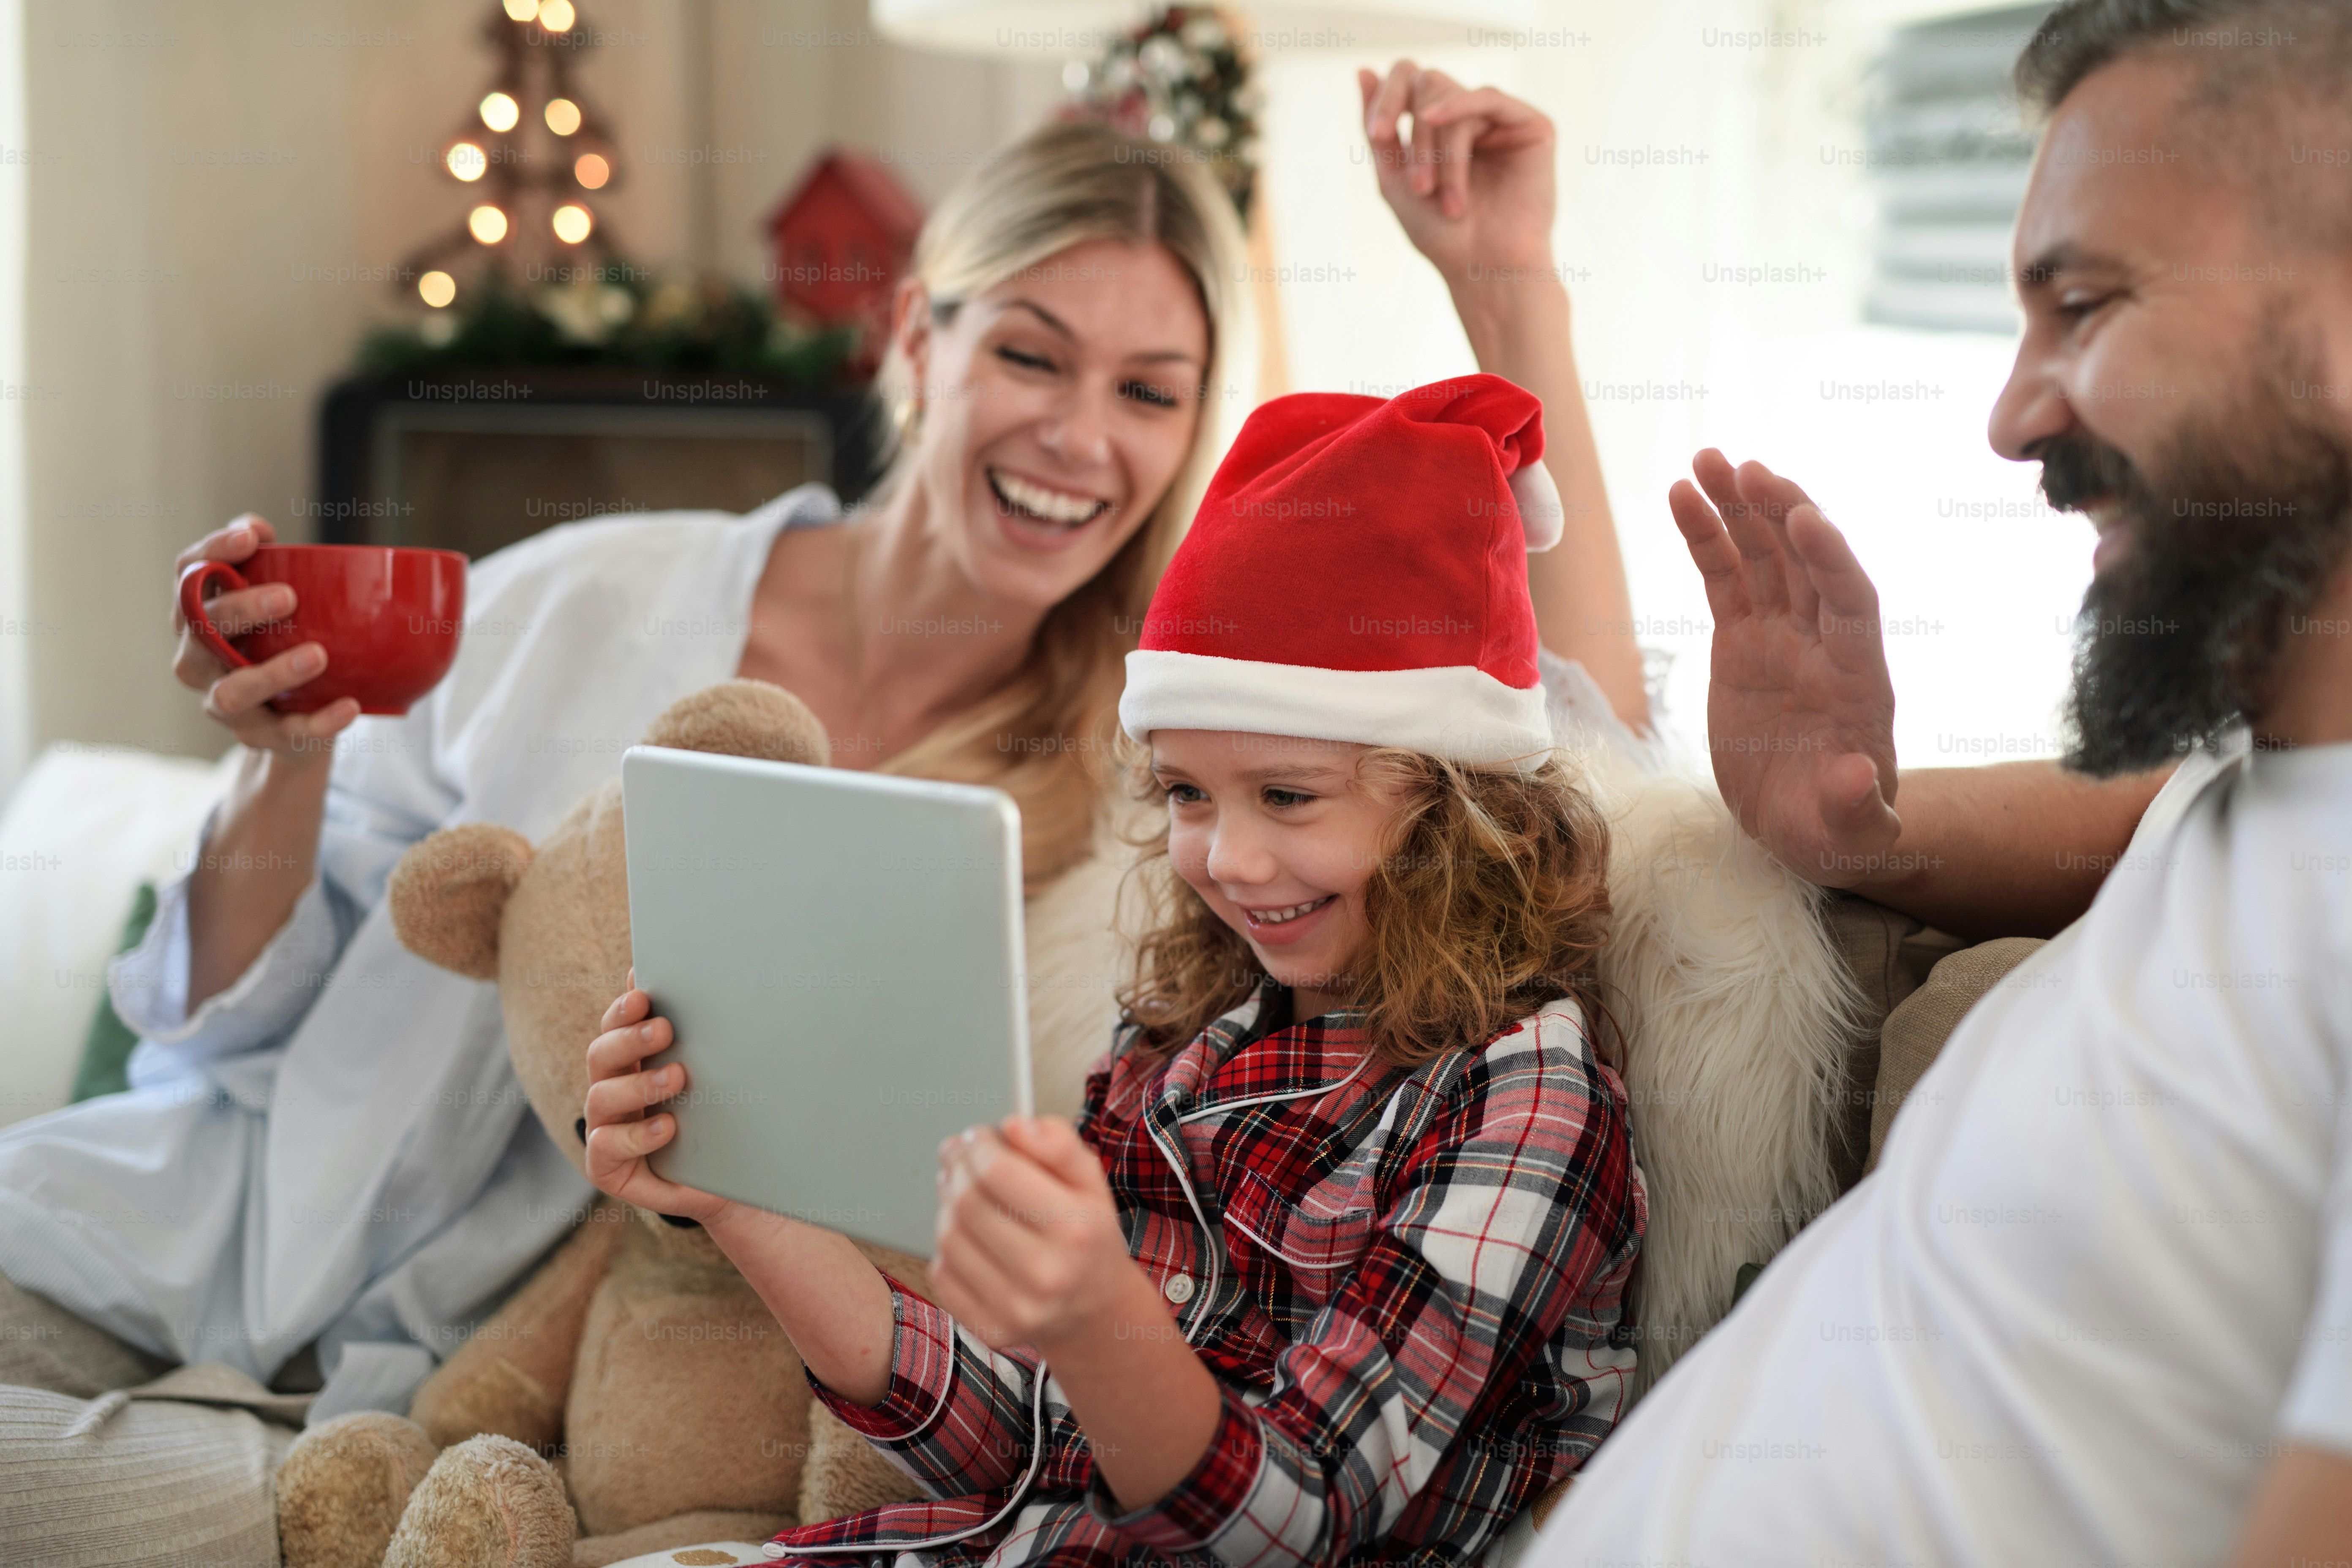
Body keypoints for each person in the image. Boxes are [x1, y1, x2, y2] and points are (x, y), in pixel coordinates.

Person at [0, 70, 1654, 1567]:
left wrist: (1508, 290)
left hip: (516, 1374)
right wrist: (285, 760)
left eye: (1152, 392)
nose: (1081, 437)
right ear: (916, 343)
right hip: (215, 1217)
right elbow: (229, 1004)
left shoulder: (1160, 764)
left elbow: (1553, 753)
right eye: (1028, 352)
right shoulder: (599, 591)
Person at [1539, 1, 2352, 1563]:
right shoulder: (2259, 781)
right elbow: (2138, 806)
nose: (2013, 415)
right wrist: (1853, 828)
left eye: (2090, 305)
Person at [586, 375, 1644, 1568]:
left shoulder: (1524, 1096)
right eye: (1189, 794)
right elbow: (1025, 1445)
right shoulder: (1187, 1039)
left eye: (1288, 796)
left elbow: (1300, 1527)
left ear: (1460, 807)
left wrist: (1098, 1315)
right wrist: (737, 1198)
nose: (1231, 860)